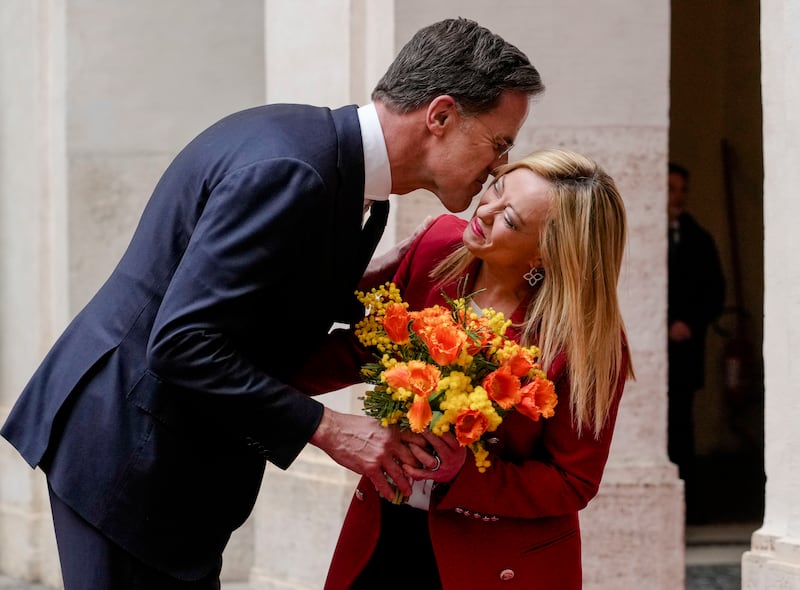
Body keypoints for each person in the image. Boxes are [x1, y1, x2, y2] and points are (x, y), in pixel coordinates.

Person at [0, 18, 544, 590]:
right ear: (440, 115)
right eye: (498, 143)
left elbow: (262, 295)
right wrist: (332, 428)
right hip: (129, 450)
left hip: (168, 456)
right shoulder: (292, 170)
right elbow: (183, 343)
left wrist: (375, 296)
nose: (499, 167)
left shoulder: (338, 169)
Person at [292, 148, 635, 589]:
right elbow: (362, 351)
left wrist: (463, 474)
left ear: (546, 255)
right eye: (497, 188)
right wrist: (245, 375)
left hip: (497, 558)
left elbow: (573, 481)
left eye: (510, 220)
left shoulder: (586, 341)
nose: (485, 211)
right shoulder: (436, 243)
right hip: (381, 527)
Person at [667, 162, 725, 522]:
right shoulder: (640, 235)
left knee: (683, 425)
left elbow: (714, 291)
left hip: (685, 352)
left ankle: (689, 507)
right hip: (653, 350)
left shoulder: (699, 239)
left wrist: (689, 323)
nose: (678, 197)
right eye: (672, 189)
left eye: (682, 190)